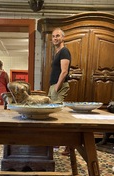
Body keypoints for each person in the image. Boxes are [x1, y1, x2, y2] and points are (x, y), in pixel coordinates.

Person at [48, 27, 71, 155]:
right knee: (53, 115)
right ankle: (56, 142)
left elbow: (64, 72)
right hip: (53, 86)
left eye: (58, 36)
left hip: (58, 86)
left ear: (63, 37)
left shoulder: (64, 51)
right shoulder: (58, 52)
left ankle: (68, 144)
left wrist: (56, 87)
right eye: (53, 36)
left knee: (57, 116)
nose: (55, 38)